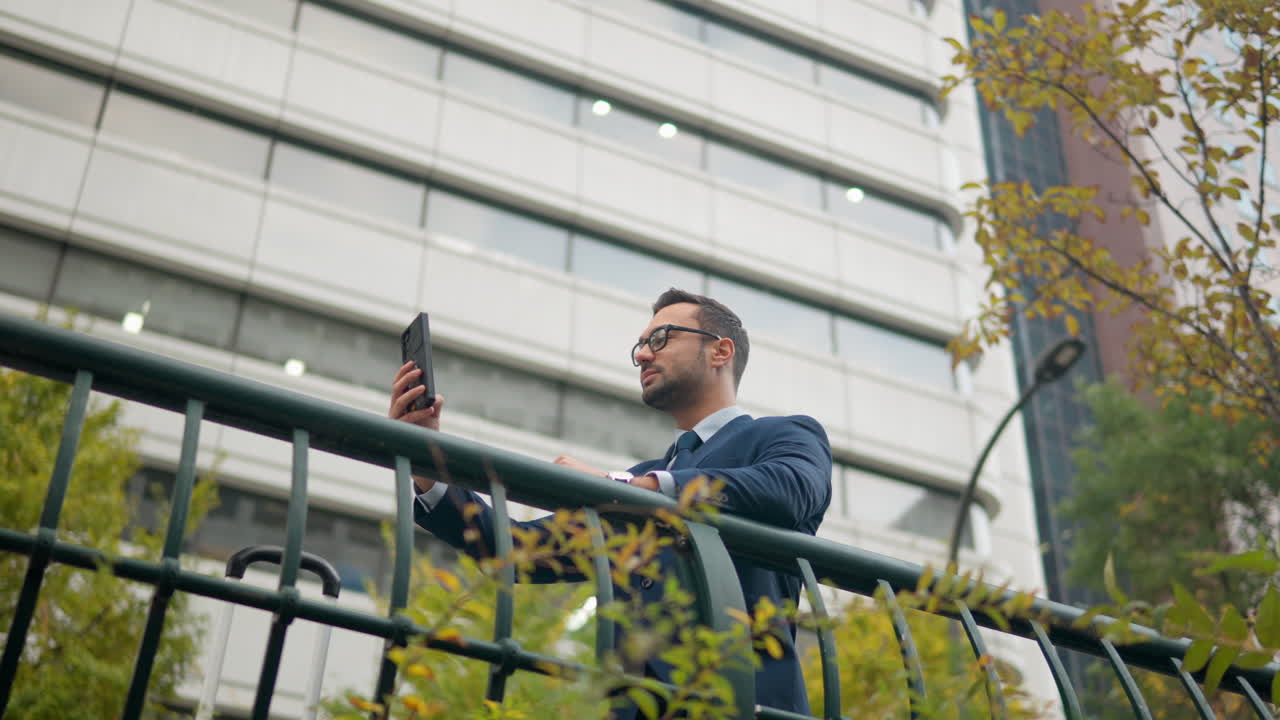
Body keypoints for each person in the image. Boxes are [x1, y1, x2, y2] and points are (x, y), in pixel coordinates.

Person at [388, 288, 832, 716]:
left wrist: (629, 487)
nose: (641, 354)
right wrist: (427, 458)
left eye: (660, 338)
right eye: (639, 345)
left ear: (720, 351)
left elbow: (791, 488)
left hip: (746, 703)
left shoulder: (784, 434)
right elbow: (512, 551)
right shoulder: (639, 479)